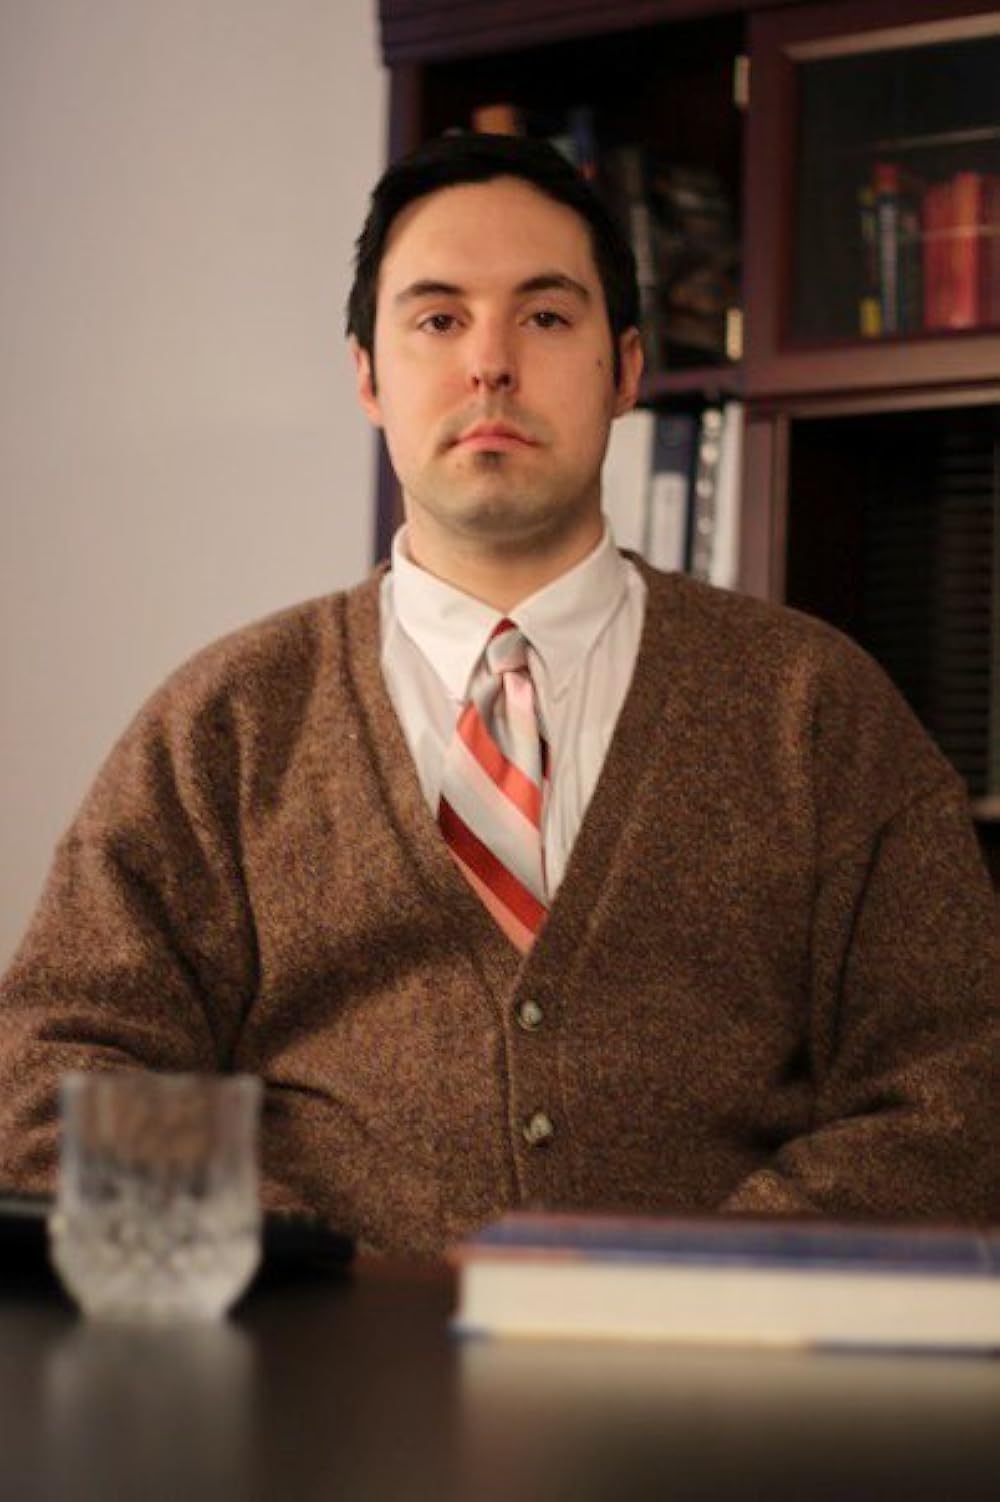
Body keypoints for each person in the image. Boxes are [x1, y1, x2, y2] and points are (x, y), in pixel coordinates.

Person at [1, 134, 997, 1254]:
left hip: (721, 1361)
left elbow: (959, 1092)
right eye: (438, 319)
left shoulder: (815, 709)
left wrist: (693, 1288)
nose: (490, 364)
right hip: (322, 1360)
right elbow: (51, 1078)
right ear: (367, 376)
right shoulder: (224, 724)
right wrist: (304, 1273)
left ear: (626, 369)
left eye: (546, 316)